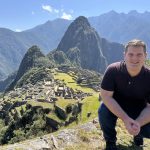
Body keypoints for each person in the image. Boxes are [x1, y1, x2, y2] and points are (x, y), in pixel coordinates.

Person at [98, 39, 150, 150]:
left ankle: (138, 134)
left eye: (139, 54)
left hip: (140, 110)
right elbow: (106, 96)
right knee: (103, 110)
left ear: (145, 55)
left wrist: (138, 123)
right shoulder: (113, 70)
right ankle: (110, 142)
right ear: (124, 55)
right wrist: (125, 119)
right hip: (117, 106)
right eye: (130, 54)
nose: (134, 58)